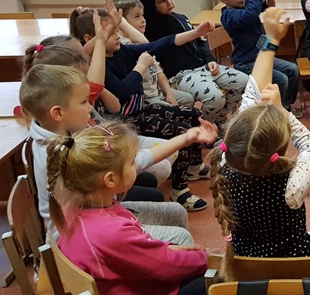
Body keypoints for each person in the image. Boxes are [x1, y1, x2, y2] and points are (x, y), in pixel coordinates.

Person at [19, 64, 216, 245]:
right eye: (84, 102)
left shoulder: (57, 134)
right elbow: (137, 162)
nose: (90, 108)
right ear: (58, 113)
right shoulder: (70, 153)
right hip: (81, 238)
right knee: (181, 238)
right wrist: (185, 138)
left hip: (95, 216)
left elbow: (135, 161)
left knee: (176, 213)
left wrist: (186, 138)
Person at [209, 7, 310, 281]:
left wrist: (270, 41)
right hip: (293, 266)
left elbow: (252, 92)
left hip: (245, 264)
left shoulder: (225, 164)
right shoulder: (292, 186)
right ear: (279, 148)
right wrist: (283, 111)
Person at [70, 7, 215, 211]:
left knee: (193, 113)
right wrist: (140, 66)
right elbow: (123, 91)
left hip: (140, 110)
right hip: (124, 120)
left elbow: (159, 44)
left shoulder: (122, 51)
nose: (119, 36)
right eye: (112, 32)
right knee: (181, 131)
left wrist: (196, 33)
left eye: (118, 30)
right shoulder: (98, 66)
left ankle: (194, 166)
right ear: (91, 39)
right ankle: (180, 191)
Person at [47, 121, 211, 295]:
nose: (137, 166)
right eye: (132, 162)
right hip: (143, 286)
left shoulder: (76, 209)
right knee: (215, 280)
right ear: (110, 180)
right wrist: (208, 258)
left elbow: (145, 254)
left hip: (128, 279)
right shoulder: (111, 232)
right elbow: (165, 266)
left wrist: (168, 248)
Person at [137, 0, 248, 132]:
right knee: (216, 98)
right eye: (162, 1)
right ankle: (200, 128)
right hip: (182, 76)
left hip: (204, 68)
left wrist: (210, 59)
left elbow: (200, 43)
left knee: (245, 82)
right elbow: (146, 1)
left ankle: (218, 122)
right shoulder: (154, 25)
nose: (169, 2)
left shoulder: (181, 18)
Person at [214, 0, 303, 118]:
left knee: (293, 69)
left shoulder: (248, 4)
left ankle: (285, 106)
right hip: (245, 62)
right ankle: (275, 113)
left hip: (260, 56)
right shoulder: (228, 16)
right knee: (282, 79)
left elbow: (268, 8)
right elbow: (249, 16)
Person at [112, 0, 196, 107]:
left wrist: (169, 94)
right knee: (176, 110)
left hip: (157, 92)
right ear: (122, 22)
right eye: (137, 16)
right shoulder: (123, 45)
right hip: (144, 99)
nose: (143, 20)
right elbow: (143, 43)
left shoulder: (142, 38)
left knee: (188, 99)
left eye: (143, 15)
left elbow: (157, 71)